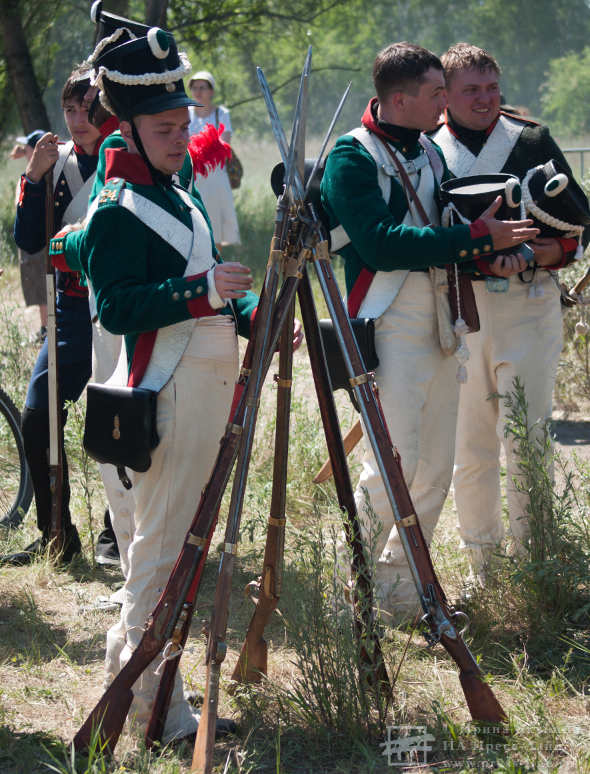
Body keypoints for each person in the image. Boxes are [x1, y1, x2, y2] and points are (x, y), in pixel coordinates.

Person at [49, 28, 288, 743]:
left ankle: (166, 711)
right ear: (129, 125)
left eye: (185, 126)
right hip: (167, 392)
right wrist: (202, 292)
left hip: (199, 389)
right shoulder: (119, 207)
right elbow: (119, 306)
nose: (182, 138)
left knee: (172, 558)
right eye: (166, 128)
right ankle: (134, 708)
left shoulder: (179, 195)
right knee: (158, 564)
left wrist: (252, 315)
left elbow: (212, 283)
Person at [320, 42, 538, 618]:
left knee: (435, 465)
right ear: (400, 99)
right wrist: (474, 241)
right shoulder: (352, 156)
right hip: (389, 317)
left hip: (440, 312)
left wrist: (491, 247)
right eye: (437, 93)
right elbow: (381, 244)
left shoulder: (427, 153)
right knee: (395, 461)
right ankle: (355, 594)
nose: (447, 103)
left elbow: (442, 224)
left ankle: (395, 596)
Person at [431, 43, 590, 584]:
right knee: (470, 445)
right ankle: (485, 568)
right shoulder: (429, 149)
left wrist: (551, 252)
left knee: (528, 437)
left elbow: (576, 226)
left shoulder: (531, 140)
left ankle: (537, 560)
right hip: (461, 312)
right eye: (470, 90)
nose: (484, 100)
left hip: (529, 302)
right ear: (445, 95)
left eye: (491, 88)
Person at [0, 67, 112, 566]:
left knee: (122, 420)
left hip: (118, 309)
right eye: (69, 109)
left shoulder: (129, 160)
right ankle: (56, 536)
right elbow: (27, 242)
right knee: (37, 415)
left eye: (87, 108)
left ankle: (118, 532)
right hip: (69, 306)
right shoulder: (53, 163)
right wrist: (34, 176)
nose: (77, 119)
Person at [188, 70, 240, 248]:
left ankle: (215, 263)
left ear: (211, 91)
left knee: (216, 223)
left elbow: (224, 144)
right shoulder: (186, 114)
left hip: (215, 176)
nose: (198, 92)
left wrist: (199, 149)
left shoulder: (221, 113)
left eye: (202, 87)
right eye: (195, 88)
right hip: (192, 175)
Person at [10, 130, 48, 343]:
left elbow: (20, 204)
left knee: (41, 284)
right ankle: (45, 327)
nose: (24, 150)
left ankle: (45, 329)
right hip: (35, 237)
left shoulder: (36, 175)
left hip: (36, 239)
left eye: (27, 147)